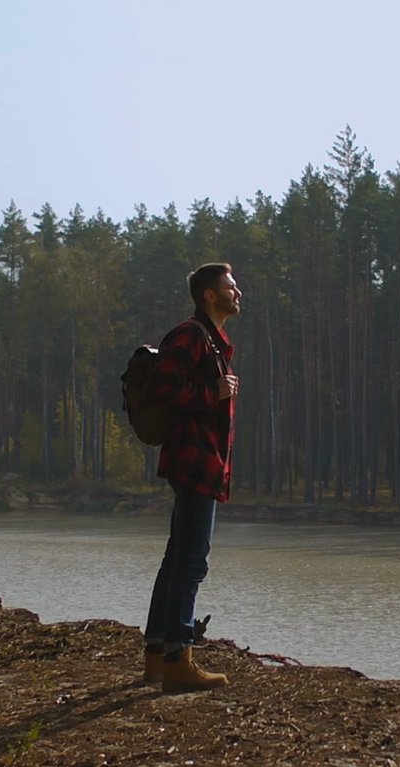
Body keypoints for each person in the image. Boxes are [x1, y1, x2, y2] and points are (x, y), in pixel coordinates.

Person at [141, 262, 241, 691]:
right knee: (191, 561)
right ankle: (179, 660)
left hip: (202, 461)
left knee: (178, 558)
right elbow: (161, 390)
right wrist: (212, 392)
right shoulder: (190, 335)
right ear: (209, 295)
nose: (238, 293)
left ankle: (157, 657)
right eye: (230, 287)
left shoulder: (210, 340)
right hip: (195, 461)